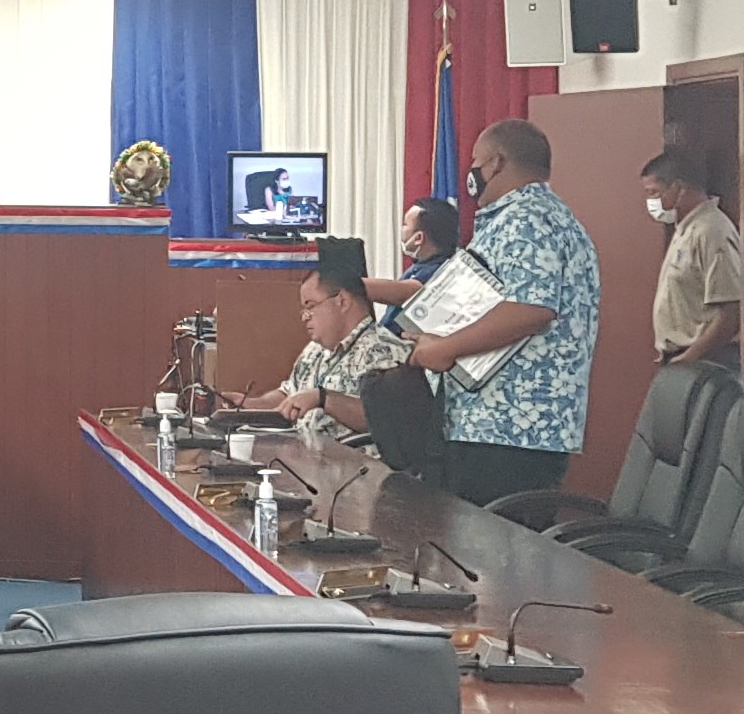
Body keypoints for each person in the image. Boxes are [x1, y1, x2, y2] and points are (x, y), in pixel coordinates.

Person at [395, 120, 600, 506]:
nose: (471, 170)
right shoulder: (530, 216)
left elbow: (531, 308)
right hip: (496, 425)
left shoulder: (528, 220)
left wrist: (446, 347)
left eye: (475, 160)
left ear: (496, 163)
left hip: (508, 426)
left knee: (491, 558)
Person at [227, 271, 412, 440]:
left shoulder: (384, 350)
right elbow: (289, 395)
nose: (304, 316)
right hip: (305, 460)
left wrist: (324, 399)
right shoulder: (314, 350)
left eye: (311, 306)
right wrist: (249, 405)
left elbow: (387, 421)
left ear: (342, 301)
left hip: (358, 468)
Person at [645, 150, 744, 371]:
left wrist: (691, 356)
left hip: (706, 361)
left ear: (679, 189)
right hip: (682, 356)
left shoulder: (711, 231)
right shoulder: (685, 229)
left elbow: (732, 309)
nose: (651, 202)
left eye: (654, 193)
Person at [361, 195, 463, 328]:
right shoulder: (422, 265)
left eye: (405, 225)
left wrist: (348, 284)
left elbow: (407, 293)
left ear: (418, 238)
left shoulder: (441, 270)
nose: (401, 230)